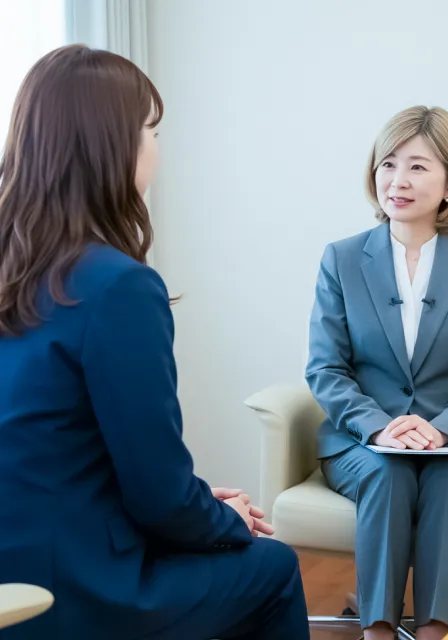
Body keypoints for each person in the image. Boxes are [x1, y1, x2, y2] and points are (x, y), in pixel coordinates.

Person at [0, 44, 310, 640]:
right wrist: (224, 518)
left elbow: (59, 454)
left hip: (15, 571)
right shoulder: (118, 286)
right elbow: (159, 496)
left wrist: (200, 504)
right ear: (111, 146)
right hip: (69, 589)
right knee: (271, 567)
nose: (158, 149)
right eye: (152, 130)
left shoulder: (17, 272)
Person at [306, 105, 448, 640]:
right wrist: (380, 428)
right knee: (388, 472)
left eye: (418, 167)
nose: (397, 180)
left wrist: (443, 430)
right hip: (361, 442)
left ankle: (434, 629)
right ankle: (377, 628)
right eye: (388, 164)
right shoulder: (342, 259)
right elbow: (326, 368)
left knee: (447, 477)